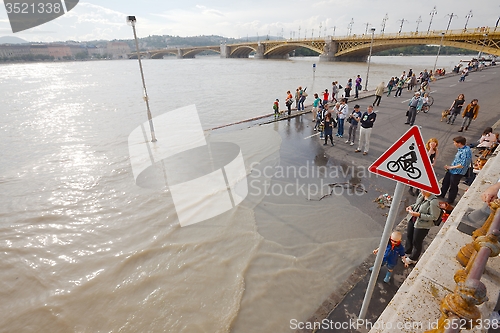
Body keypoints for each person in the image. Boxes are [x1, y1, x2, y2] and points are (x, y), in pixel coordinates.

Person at [403, 190, 441, 266]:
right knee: (409, 236)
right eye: (421, 189)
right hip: (413, 219)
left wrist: (419, 215)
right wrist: (411, 207)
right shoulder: (421, 195)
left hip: (422, 225)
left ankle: (413, 259)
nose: (422, 191)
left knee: (416, 242)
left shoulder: (433, 202)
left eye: (425, 190)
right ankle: (407, 251)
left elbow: (434, 217)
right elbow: (417, 205)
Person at [439, 136, 473, 204]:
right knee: (445, 182)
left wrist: (450, 167)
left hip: (457, 172)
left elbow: (462, 165)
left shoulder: (466, 152)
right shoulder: (461, 149)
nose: (454, 144)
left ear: (459, 143)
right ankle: (442, 194)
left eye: (454, 142)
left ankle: (450, 200)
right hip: (452, 169)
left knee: (453, 186)